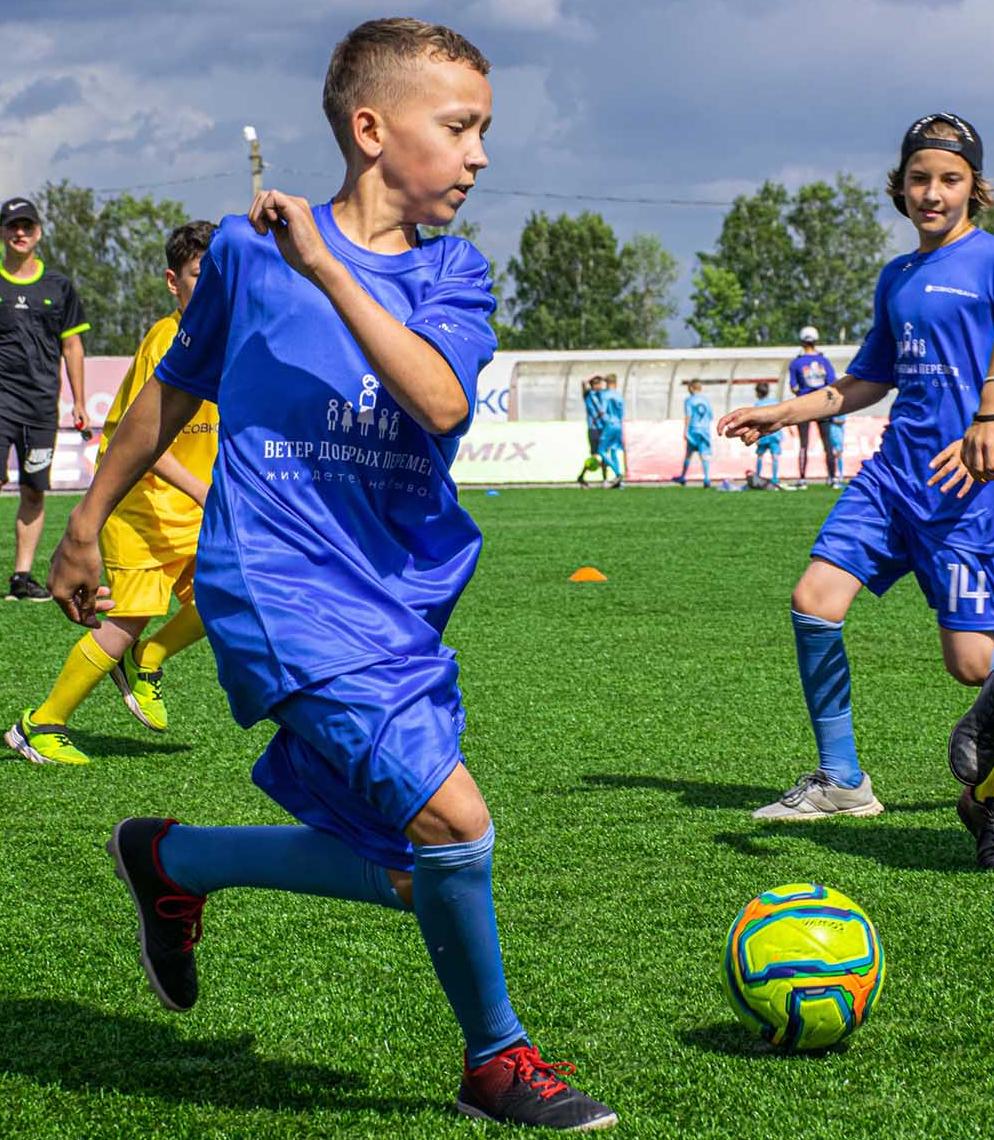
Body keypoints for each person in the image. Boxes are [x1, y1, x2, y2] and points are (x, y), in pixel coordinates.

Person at [46, 18, 616, 1132]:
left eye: (482, 131)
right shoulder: (249, 253)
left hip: (392, 597)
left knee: (415, 871)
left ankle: (171, 860)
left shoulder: (455, 270)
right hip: (270, 581)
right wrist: (89, 517)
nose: (479, 156)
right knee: (454, 823)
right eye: (459, 128)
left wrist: (329, 268)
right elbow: (175, 388)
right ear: (370, 128)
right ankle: (496, 1062)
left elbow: (440, 399)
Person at [719, 111, 994, 823]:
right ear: (900, 188)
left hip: (963, 490)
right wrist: (782, 413)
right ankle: (842, 780)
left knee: (970, 666)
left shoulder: (990, 261)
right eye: (919, 178)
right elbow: (867, 379)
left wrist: (988, 421)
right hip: (891, 478)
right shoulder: (896, 276)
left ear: (975, 189)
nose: (933, 192)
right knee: (814, 599)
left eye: (949, 179)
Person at [5, 222, 217, 766]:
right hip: (141, 504)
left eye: (223, 274)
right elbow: (136, 439)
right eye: (200, 275)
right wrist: (203, 488)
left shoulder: (228, 340)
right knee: (124, 620)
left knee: (235, 593)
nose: (213, 285)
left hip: (192, 509)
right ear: (174, 282)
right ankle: (41, 724)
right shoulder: (168, 342)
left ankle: (152, 657)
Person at [0, 196, 90, 601]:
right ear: (2, 233)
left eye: (27, 226)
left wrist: (80, 402)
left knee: (34, 490)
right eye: (12, 226)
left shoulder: (59, 286)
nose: (20, 233)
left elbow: (72, 347)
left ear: (38, 232)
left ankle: (22, 577)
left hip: (40, 406)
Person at [788, 326, 836, 488]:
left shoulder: (796, 363)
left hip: (804, 404)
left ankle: (802, 479)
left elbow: (794, 387)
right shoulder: (824, 361)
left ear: (802, 341)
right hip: (822, 405)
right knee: (827, 443)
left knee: (803, 444)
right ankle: (832, 478)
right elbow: (832, 384)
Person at [673, 380, 713, 487]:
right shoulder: (706, 400)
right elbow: (710, 416)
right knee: (704, 455)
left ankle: (683, 477)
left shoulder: (689, 400)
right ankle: (707, 478)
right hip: (704, 430)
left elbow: (688, 415)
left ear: (691, 388)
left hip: (693, 430)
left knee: (688, 454)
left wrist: (685, 430)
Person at [576, 373, 607, 486]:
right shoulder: (588, 395)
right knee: (595, 456)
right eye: (596, 383)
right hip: (593, 429)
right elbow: (583, 383)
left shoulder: (603, 395)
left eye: (599, 383)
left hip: (603, 428)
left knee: (605, 455)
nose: (599, 385)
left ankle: (605, 480)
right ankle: (581, 476)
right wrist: (592, 377)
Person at [752, 382, 782, 486]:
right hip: (775, 434)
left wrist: (755, 436)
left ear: (758, 393)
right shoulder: (775, 402)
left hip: (763, 435)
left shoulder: (758, 405)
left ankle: (758, 476)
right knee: (775, 456)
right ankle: (775, 478)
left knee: (760, 455)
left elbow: (755, 421)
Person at [599, 373, 625, 488]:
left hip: (610, 424)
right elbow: (622, 413)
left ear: (607, 383)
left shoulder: (605, 395)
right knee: (614, 450)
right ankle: (619, 483)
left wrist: (604, 420)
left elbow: (602, 411)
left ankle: (618, 474)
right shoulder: (619, 396)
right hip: (619, 425)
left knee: (601, 450)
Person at [827, 413, 846, 489]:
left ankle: (837, 476)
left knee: (837, 454)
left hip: (838, 432)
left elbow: (842, 421)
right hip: (834, 432)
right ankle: (835, 477)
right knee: (835, 454)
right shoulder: (834, 410)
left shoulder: (842, 410)